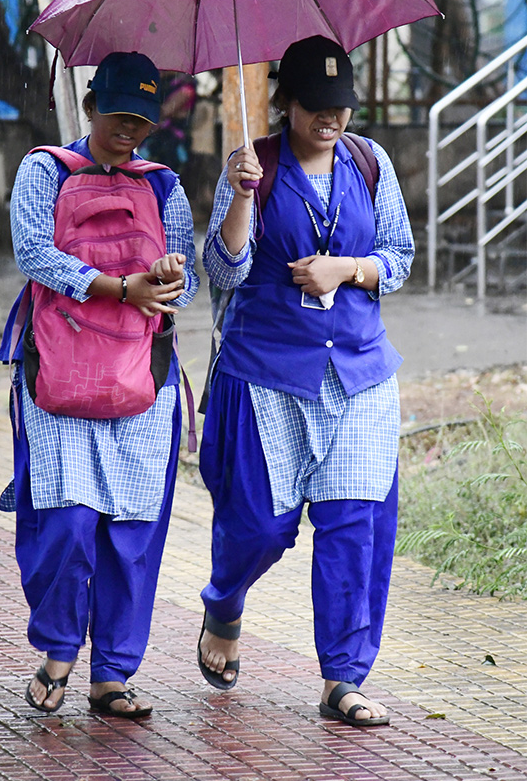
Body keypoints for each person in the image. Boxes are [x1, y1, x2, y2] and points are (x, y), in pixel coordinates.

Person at [196, 36, 414, 727]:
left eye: (341, 107)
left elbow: (399, 259)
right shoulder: (253, 166)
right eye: (316, 106)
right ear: (286, 101)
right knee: (259, 524)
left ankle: (342, 679)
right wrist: (237, 199)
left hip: (357, 373)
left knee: (355, 524)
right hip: (267, 374)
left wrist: (346, 269)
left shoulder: (368, 162)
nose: (330, 119)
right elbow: (223, 272)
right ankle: (223, 605)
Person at [0, 51, 199, 718]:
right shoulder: (45, 169)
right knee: (68, 524)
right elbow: (32, 251)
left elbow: (187, 284)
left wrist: (168, 275)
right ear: (89, 107)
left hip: (142, 380)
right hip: (56, 374)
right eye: (118, 119)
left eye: (141, 123)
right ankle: (58, 651)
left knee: (132, 534)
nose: (129, 134)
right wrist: (117, 287)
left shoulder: (164, 184)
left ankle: (111, 674)